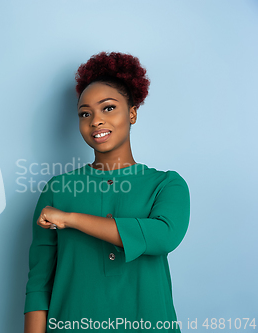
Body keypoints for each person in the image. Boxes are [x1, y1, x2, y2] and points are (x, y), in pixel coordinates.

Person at [23, 51, 190, 333]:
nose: (96, 120)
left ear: (132, 113)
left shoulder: (167, 185)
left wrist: (71, 219)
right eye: (85, 113)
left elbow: (163, 237)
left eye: (108, 108)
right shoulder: (57, 189)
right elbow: (39, 284)